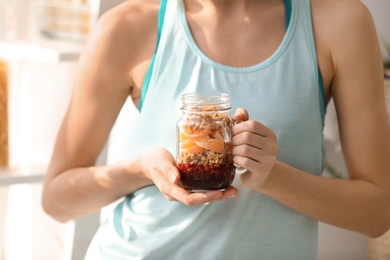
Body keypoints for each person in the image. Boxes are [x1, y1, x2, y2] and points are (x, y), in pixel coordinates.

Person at [41, 0, 390, 259]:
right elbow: (57, 199)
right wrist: (140, 170)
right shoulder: (128, 26)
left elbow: (378, 213)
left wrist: (273, 177)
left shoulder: (338, 22)